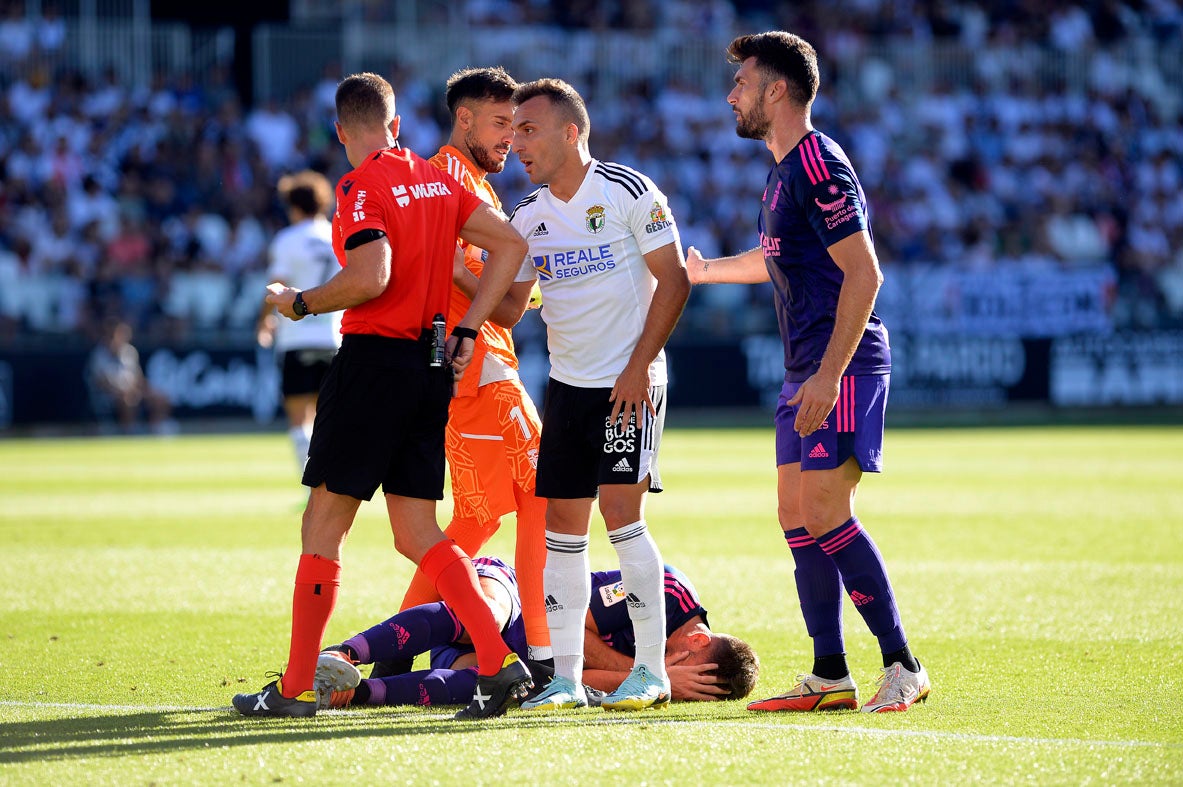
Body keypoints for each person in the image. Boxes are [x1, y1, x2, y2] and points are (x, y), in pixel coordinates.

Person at [232, 71, 533, 721]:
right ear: (396, 125)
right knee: (418, 530)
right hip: (430, 368)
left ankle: (291, 689)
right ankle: (497, 662)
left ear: (342, 132)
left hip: (372, 363)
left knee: (322, 525)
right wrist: (470, 324)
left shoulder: (360, 183)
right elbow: (510, 245)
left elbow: (372, 275)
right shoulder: (441, 181)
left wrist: (301, 302)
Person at [685, 31, 931, 713]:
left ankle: (903, 663)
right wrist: (704, 272)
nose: (730, 94)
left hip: (839, 367)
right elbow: (774, 257)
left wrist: (827, 375)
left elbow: (865, 271)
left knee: (825, 511)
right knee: (796, 513)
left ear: (776, 90)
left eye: (741, 83)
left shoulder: (818, 162)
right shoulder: (781, 171)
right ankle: (829, 672)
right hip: (806, 370)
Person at [506, 79, 692, 712]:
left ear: (570, 131)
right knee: (562, 529)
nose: (515, 141)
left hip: (628, 384)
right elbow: (511, 305)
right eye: (512, 130)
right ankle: (565, 679)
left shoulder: (627, 193)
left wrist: (639, 366)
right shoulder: (526, 215)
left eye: (528, 129)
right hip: (567, 387)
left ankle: (650, 670)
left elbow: (676, 278)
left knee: (622, 515)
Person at [384, 66, 551, 675]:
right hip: (478, 368)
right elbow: (450, 269)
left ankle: (391, 657)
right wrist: (508, 293)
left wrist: (511, 292)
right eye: (501, 123)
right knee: (543, 493)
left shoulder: (468, 182)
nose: (511, 137)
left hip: (474, 366)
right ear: (464, 119)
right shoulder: (451, 179)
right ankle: (538, 646)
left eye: (516, 125)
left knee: (477, 519)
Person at [313, 557, 759, 710]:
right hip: (518, 596)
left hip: (530, 664)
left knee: (484, 687)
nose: (670, 674)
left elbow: (578, 679)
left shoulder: (668, 680)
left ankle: (350, 694)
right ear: (699, 640)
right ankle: (345, 653)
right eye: (684, 668)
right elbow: (568, 622)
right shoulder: (665, 589)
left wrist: (663, 685)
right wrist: (647, 673)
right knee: (482, 615)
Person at [256, 170, 342, 474]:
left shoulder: (287, 240)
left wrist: (264, 322)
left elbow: (276, 287)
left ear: (293, 206)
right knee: (328, 417)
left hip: (295, 339)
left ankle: (310, 481)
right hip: (334, 339)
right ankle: (330, 478)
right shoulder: (338, 235)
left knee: (298, 419)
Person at [85, 318, 176, 435]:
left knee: (160, 398)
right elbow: (101, 383)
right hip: (109, 396)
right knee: (127, 400)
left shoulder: (130, 352)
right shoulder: (99, 355)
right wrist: (124, 392)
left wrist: (148, 391)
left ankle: (157, 432)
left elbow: (138, 378)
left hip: (132, 392)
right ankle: (130, 434)